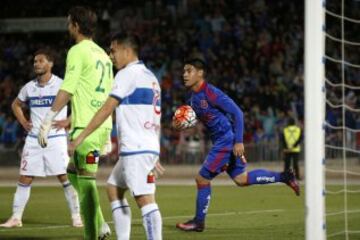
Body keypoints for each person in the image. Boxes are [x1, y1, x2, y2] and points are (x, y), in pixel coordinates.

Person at [174, 57, 300, 232]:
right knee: (242, 179)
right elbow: (201, 119)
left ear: (200, 73)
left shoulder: (212, 93)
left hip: (225, 141)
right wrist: (182, 124)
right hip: (223, 141)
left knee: (202, 179)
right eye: (184, 71)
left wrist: (239, 141)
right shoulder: (193, 98)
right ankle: (285, 177)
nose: (184, 74)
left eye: (189, 70)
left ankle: (198, 222)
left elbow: (238, 113)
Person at [68, 33, 163, 240]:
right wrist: (154, 153)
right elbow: (155, 117)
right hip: (144, 146)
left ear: (126, 51)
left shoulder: (126, 75)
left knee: (145, 199)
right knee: (113, 189)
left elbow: (106, 109)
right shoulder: (150, 77)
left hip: (136, 148)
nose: (110, 56)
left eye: (113, 50)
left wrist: (80, 137)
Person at [37, 6, 112, 240]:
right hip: (102, 125)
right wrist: (108, 132)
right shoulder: (103, 54)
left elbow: (67, 88)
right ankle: (100, 225)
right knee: (71, 173)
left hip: (86, 128)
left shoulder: (77, 51)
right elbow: (110, 94)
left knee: (87, 182)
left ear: (76, 26)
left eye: (69, 23)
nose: (68, 27)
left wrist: (48, 119)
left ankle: (92, 235)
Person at [0, 49, 82, 228]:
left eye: (41, 61)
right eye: (35, 61)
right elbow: (16, 105)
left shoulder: (62, 84)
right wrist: (23, 121)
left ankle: (76, 216)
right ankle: (16, 217)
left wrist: (68, 121)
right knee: (25, 178)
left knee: (64, 176)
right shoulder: (30, 87)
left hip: (55, 138)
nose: (36, 64)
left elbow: (80, 105)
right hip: (34, 139)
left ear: (50, 64)